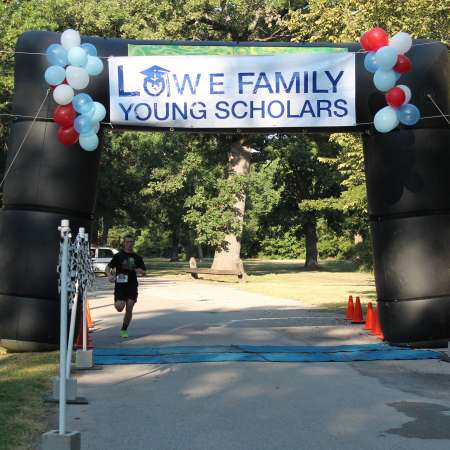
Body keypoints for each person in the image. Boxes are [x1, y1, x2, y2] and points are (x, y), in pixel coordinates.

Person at [105, 235, 146, 338]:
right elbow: (108, 267)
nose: (129, 244)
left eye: (131, 242)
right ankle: (118, 302)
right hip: (120, 285)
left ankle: (124, 329)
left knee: (130, 307)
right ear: (124, 243)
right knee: (119, 307)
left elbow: (144, 271)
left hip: (132, 285)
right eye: (127, 242)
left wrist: (137, 270)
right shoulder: (118, 256)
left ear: (133, 243)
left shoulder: (137, 257)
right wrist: (110, 275)